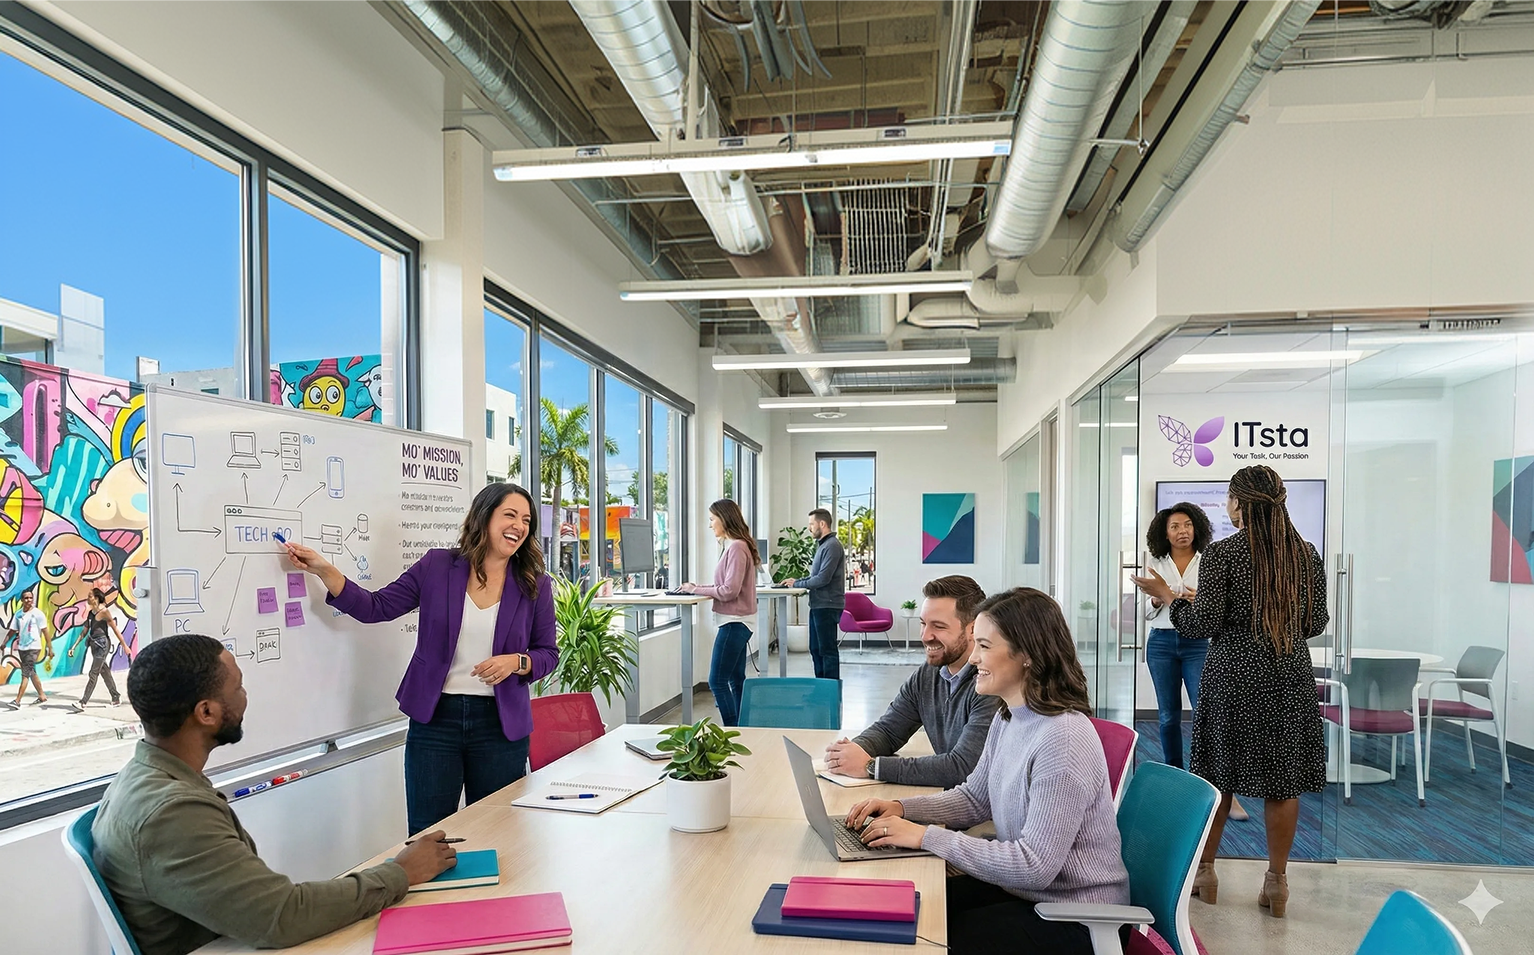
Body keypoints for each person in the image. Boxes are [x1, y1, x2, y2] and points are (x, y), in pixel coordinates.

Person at [92, 633, 458, 955]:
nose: (245, 696)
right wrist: (400, 873)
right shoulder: (172, 813)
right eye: (238, 687)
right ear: (206, 712)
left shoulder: (145, 776)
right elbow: (282, 917)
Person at [846, 588, 1128, 955]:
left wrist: (924, 836)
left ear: (1027, 655)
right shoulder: (1009, 715)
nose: (973, 658)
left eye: (984, 646)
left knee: (924, 940)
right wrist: (901, 809)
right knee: (906, 908)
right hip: (1030, 894)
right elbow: (974, 798)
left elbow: (1035, 865)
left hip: (1078, 917)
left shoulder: (1063, 739)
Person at [284, 482, 557, 836]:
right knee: (428, 835)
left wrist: (516, 663)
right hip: (436, 721)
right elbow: (376, 607)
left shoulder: (534, 583)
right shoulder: (437, 566)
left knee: (497, 832)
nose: (519, 526)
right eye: (509, 515)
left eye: (526, 520)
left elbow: (547, 653)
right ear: (484, 517)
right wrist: (324, 570)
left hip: (500, 727)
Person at [1132, 465, 1327, 919]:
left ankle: (1206, 873)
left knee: (1219, 777)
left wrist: (1173, 598)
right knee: (1284, 781)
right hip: (1287, 675)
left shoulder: (1224, 554)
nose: (1226, 506)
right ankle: (1276, 882)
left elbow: (1202, 624)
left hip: (1233, 675)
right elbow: (1314, 624)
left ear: (1240, 503)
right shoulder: (1306, 554)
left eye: (1229, 498)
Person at [823, 575, 1001, 788]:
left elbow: (962, 768)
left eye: (939, 626)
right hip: (952, 803)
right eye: (923, 624)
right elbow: (889, 731)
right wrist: (849, 754)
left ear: (972, 629)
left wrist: (872, 766)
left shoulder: (990, 683)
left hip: (984, 815)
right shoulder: (928, 675)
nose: (925, 636)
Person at [679, 499, 759, 726]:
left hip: (735, 623)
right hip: (739, 621)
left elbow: (729, 590)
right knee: (736, 679)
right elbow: (727, 587)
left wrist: (695, 589)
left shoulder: (736, 547)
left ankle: (733, 731)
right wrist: (698, 588)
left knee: (717, 681)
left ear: (724, 519)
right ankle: (744, 729)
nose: (710, 524)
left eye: (712, 519)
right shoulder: (737, 545)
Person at [779, 508, 845, 680]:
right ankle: (820, 688)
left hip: (827, 605)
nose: (809, 528)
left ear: (822, 524)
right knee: (816, 649)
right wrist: (798, 580)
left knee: (827, 650)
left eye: (811, 524)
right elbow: (816, 576)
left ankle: (830, 691)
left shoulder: (832, 546)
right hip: (818, 605)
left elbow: (823, 579)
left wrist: (798, 584)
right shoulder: (824, 545)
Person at [69, 588, 132, 711]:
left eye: (90, 596)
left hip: (103, 645)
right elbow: (84, 632)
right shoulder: (91, 613)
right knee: (105, 671)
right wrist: (74, 646)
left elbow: (115, 629)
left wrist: (124, 645)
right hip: (93, 644)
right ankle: (115, 696)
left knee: (93, 673)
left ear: (96, 598)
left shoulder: (104, 612)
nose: (88, 598)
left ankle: (83, 702)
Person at [3, 590, 50, 708]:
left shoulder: (38, 614)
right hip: (22, 648)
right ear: (22, 600)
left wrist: (50, 647)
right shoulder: (18, 614)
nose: (29, 600)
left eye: (30, 598)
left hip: (33, 647)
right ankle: (42, 695)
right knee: (31, 672)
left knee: (25, 674)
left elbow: (45, 631)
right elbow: (12, 630)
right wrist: (4, 642)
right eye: (26, 598)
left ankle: (17, 701)